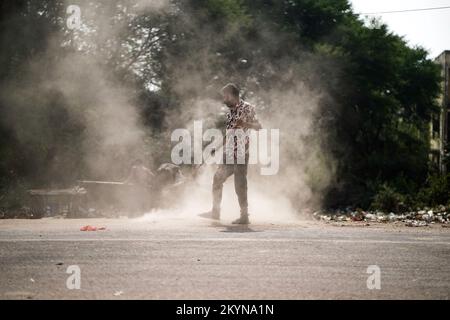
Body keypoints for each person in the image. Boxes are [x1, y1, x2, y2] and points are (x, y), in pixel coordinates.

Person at [211, 83, 262, 224]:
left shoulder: (248, 108)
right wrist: (218, 146)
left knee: (239, 184)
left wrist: (246, 124)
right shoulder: (230, 112)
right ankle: (215, 212)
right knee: (217, 179)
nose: (224, 99)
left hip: (241, 152)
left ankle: (244, 216)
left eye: (225, 96)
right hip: (228, 153)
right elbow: (230, 133)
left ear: (233, 95)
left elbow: (259, 127)